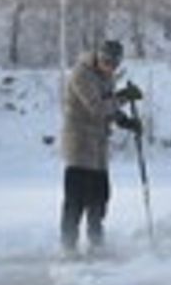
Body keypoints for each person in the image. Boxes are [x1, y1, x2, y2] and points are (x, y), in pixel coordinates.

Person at [59, 39, 142, 255]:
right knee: (75, 201)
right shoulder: (81, 75)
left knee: (100, 198)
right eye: (107, 62)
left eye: (114, 64)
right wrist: (123, 97)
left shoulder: (107, 77)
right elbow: (96, 107)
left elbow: (109, 106)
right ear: (98, 57)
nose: (110, 67)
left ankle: (96, 244)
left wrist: (125, 121)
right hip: (79, 145)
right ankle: (68, 247)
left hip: (99, 147)